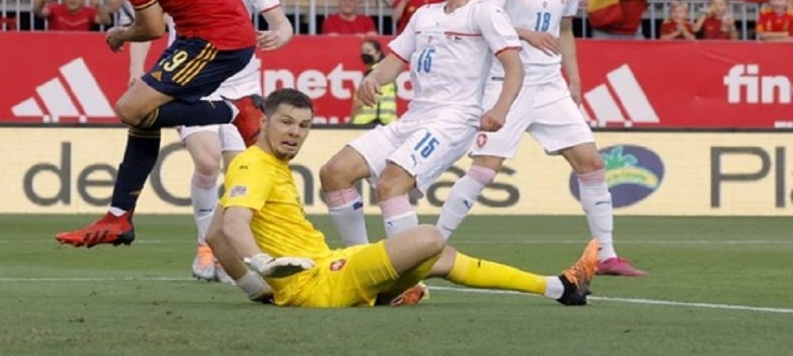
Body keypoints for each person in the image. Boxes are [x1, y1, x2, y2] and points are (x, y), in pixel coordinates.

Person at [206, 88, 598, 308]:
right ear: (264, 122)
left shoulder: (268, 164)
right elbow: (233, 224)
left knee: (436, 255)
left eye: (304, 125)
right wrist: (263, 265)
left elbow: (213, 232)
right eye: (286, 122)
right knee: (428, 237)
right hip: (320, 282)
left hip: (327, 267)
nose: (295, 132)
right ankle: (388, 292)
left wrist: (257, 289)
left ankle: (558, 287)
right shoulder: (253, 164)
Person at [438, 0, 649, 277]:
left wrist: (574, 79)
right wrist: (525, 34)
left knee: (591, 163)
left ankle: (606, 255)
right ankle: (430, 246)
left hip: (550, 84)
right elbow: (482, 18)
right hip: (507, 82)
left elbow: (565, 30)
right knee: (485, 169)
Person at [52, 0, 263, 248]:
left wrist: (120, 34)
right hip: (211, 34)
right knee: (141, 113)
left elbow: (151, 27)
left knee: (128, 108)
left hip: (214, 39)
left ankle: (235, 110)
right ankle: (119, 216)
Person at [319, 0, 524, 251]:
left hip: (453, 120)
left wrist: (501, 108)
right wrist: (373, 78)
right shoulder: (424, 15)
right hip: (414, 118)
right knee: (334, 172)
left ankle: (409, 268)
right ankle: (357, 259)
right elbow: (394, 61)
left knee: (391, 184)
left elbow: (515, 67)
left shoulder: (483, 12)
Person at [148, 0, 293, 282]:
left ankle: (229, 253)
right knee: (207, 161)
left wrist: (279, 35)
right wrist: (138, 69)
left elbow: (282, 23)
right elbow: (148, 22)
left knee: (241, 173)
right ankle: (206, 246)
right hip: (192, 79)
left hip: (241, 84)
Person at [33, 0, 116, 31]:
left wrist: (98, 4)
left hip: (80, 48)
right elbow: (38, 12)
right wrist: (41, 0)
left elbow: (106, 21)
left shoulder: (88, 11)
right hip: (56, 46)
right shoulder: (55, 8)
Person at [349, 40, 397, 126]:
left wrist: (350, 122)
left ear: (378, 53)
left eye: (368, 51)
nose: (364, 54)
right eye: (362, 51)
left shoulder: (371, 75)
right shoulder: (388, 73)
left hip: (367, 122)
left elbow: (359, 103)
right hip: (388, 122)